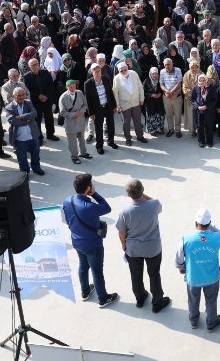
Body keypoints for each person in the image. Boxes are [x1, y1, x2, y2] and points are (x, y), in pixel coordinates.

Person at [63, 173, 119, 308]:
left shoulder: (67, 200)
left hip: (77, 241)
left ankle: (85, 291)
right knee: (97, 271)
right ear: (88, 188)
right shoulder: (89, 206)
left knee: (83, 266)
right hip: (92, 245)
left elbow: (68, 220)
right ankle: (103, 298)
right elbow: (107, 207)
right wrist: (94, 194)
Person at [116, 179, 171, 312]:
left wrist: (123, 244)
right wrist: (142, 194)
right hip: (153, 248)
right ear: (143, 190)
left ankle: (140, 298)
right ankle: (157, 303)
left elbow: (121, 232)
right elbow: (156, 202)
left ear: (128, 195)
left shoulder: (125, 212)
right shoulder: (154, 205)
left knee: (135, 275)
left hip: (133, 249)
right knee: (154, 274)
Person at [174, 208, 220, 332]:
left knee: (193, 299)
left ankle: (194, 321)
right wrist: (209, 227)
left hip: (193, 277)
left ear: (195, 223)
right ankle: (211, 322)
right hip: (212, 277)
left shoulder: (186, 239)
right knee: (211, 300)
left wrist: (181, 267)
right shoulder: (216, 237)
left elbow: (178, 258)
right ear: (209, 223)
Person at [4, 87, 45, 176]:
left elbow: (34, 113)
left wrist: (21, 117)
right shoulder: (9, 107)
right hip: (20, 138)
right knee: (22, 157)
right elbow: (12, 120)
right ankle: (25, 172)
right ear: (14, 96)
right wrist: (27, 120)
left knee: (35, 154)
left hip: (32, 135)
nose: (22, 97)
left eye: (23, 95)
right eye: (19, 95)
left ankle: (36, 168)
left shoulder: (28, 102)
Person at [84, 63, 118, 155]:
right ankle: (99, 146)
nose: (97, 73)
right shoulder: (88, 84)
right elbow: (88, 100)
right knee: (98, 129)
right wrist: (91, 113)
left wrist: (114, 106)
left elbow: (110, 93)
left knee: (111, 126)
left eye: (98, 71)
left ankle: (111, 142)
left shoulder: (106, 79)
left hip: (108, 106)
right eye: (95, 71)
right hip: (97, 109)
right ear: (92, 72)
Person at [113, 61, 147, 146]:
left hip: (135, 102)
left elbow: (140, 87)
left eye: (125, 70)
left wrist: (141, 98)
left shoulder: (134, 73)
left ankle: (140, 136)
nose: (123, 72)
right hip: (124, 104)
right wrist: (117, 106)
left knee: (137, 121)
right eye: (121, 71)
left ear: (127, 68)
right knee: (126, 123)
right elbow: (115, 93)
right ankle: (128, 138)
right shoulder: (116, 78)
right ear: (118, 71)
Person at [58, 79, 89, 165]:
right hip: (70, 122)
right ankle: (74, 157)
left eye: (74, 87)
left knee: (81, 138)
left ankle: (83, 153)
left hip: (80, 120)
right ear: (66, 87)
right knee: (72, 141)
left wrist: (81, 112)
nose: (72, 89)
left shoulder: (79, 93)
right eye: (70, 87)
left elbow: (85, 105)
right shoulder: (63, 97)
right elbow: (62, 112)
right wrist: (74, 114)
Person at [191, 74, 218, 148]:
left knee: (209, 127)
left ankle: (209, 142)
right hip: (199, 112)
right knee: (199, 127)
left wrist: (207, 106)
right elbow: (192, 99)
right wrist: (197, 106)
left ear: (206, 80)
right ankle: (201, 142)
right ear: (198, 81)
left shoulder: (211, 88)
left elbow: (215, 100)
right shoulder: (195, 88)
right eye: (200, 80)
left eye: (203, 80)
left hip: (208, 112)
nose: (202, 82)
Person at [142, 68, 166, 136]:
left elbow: (163, 89)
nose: (155, 75)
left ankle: (160, 129)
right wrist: (151, 95)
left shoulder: (160, 80)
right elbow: (143, 92)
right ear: (150, 74)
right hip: (150, 102)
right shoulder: (146, 81)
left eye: (156, 74)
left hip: (159, 101)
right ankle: (152, 130)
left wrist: (160, 93)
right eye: (153, 74)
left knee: (160, 115)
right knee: (151, 116)